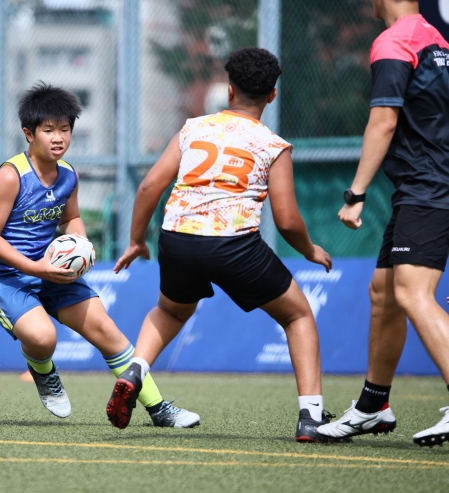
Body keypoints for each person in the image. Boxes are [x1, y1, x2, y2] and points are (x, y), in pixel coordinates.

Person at [106, 48, 336, 442]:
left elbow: (148, 187)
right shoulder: (273, 145)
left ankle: (136, 370)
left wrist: (135, 240)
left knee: (170, 310)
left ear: (229, 90)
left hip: (177, 238)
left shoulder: (193, 128)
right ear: (272, 95)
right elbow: (286, 220)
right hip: (234, 245)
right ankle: (311, 419)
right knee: (298, 316)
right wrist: (309, 249)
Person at [0, 82, 197, 427]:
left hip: (50, 268)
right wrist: (36, 268)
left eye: (65, 129)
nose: (58, 138)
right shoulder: (10, 176)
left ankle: (159, 409)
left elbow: (71, 218)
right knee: (43, 338)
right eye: (49, 130)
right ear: (29, 134)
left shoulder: (68, 175)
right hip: (3, 273)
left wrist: (79, 243)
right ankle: (43, 371)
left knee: (106, 331)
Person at [318, 0, 449, 446]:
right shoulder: (436, 40)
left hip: (427, 187)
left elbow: (383, 122)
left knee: (413, 293)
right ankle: (374, 405)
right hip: (423, 186)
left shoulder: (396, 41)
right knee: (384, 291)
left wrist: (356, 194)